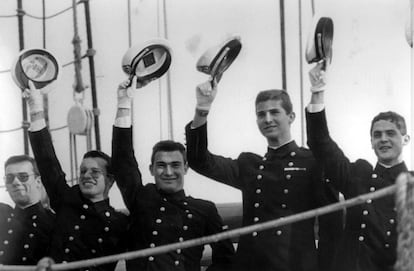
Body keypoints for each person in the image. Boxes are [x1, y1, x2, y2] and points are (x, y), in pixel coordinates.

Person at [184, 78, 338, 271]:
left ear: (291, 117)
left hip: (293, 264)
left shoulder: (312, 163)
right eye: (261, 114)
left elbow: (331, 225)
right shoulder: (249, 165)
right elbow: (200, 161)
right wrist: (202, 109)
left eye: (274, 112)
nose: (267, 119)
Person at [111, 79, 235, 271]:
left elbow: (226, 260)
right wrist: (123, 104)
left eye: (175, 165)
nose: (168, 172)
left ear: (186, 168)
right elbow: (122, 161)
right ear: (151, 169)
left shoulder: (204, 210)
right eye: (161, 165)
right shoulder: (141, 198)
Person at [305, 61, 410, 271]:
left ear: (405, 139)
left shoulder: (412, 185)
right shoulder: (358, 176)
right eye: (377, 135)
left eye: (391, 133)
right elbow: (322, 145)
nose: (383, 139)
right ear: (371, 142)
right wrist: (317, 92)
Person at [24, 81, 129, 271]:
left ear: (110, 180)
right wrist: (36, 109)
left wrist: (124, 104)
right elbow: (48, 164)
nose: (87, 176)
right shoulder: (66, 200)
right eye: (83, 171)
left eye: (95, 172)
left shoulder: (120, 223)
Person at [0, 155, 55, 265]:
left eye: (23, 176)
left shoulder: (53, 222)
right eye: (10, 178)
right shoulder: (2, 216)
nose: (15, 182)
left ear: (38, 182)